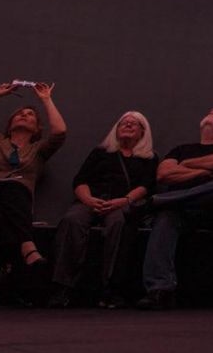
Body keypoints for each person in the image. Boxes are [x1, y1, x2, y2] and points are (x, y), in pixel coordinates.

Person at [0, 82, 66, 306]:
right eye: (19, 113)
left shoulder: (39, 151)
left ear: (37, 129)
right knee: (15, 185)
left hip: (7, 210)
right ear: (9, 125)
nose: (24, 115)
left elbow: (59, 132)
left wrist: (46, 99)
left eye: (30, 115)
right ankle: (27, 243)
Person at [136, 106, 213, 309]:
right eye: (211, 111)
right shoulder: (180, 149)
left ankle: (157, 201)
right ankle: (160, 290)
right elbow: (164, 174)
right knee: (166, 216)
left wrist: (185, 165)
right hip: (181, 211)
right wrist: (204, 172)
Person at [48, 111, 158, 308]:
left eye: (134, 123)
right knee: (72, 220)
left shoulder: (149, 158)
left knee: (118, 224)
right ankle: (62, 287)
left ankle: (111, 289)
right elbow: (80, 180)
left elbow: (147, 186)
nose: (128, 125)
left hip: (122, 203)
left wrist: (123, 201)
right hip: (91, 200)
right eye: (124, 122)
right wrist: (89, 200)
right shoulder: (101, 152)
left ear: (143, 131)